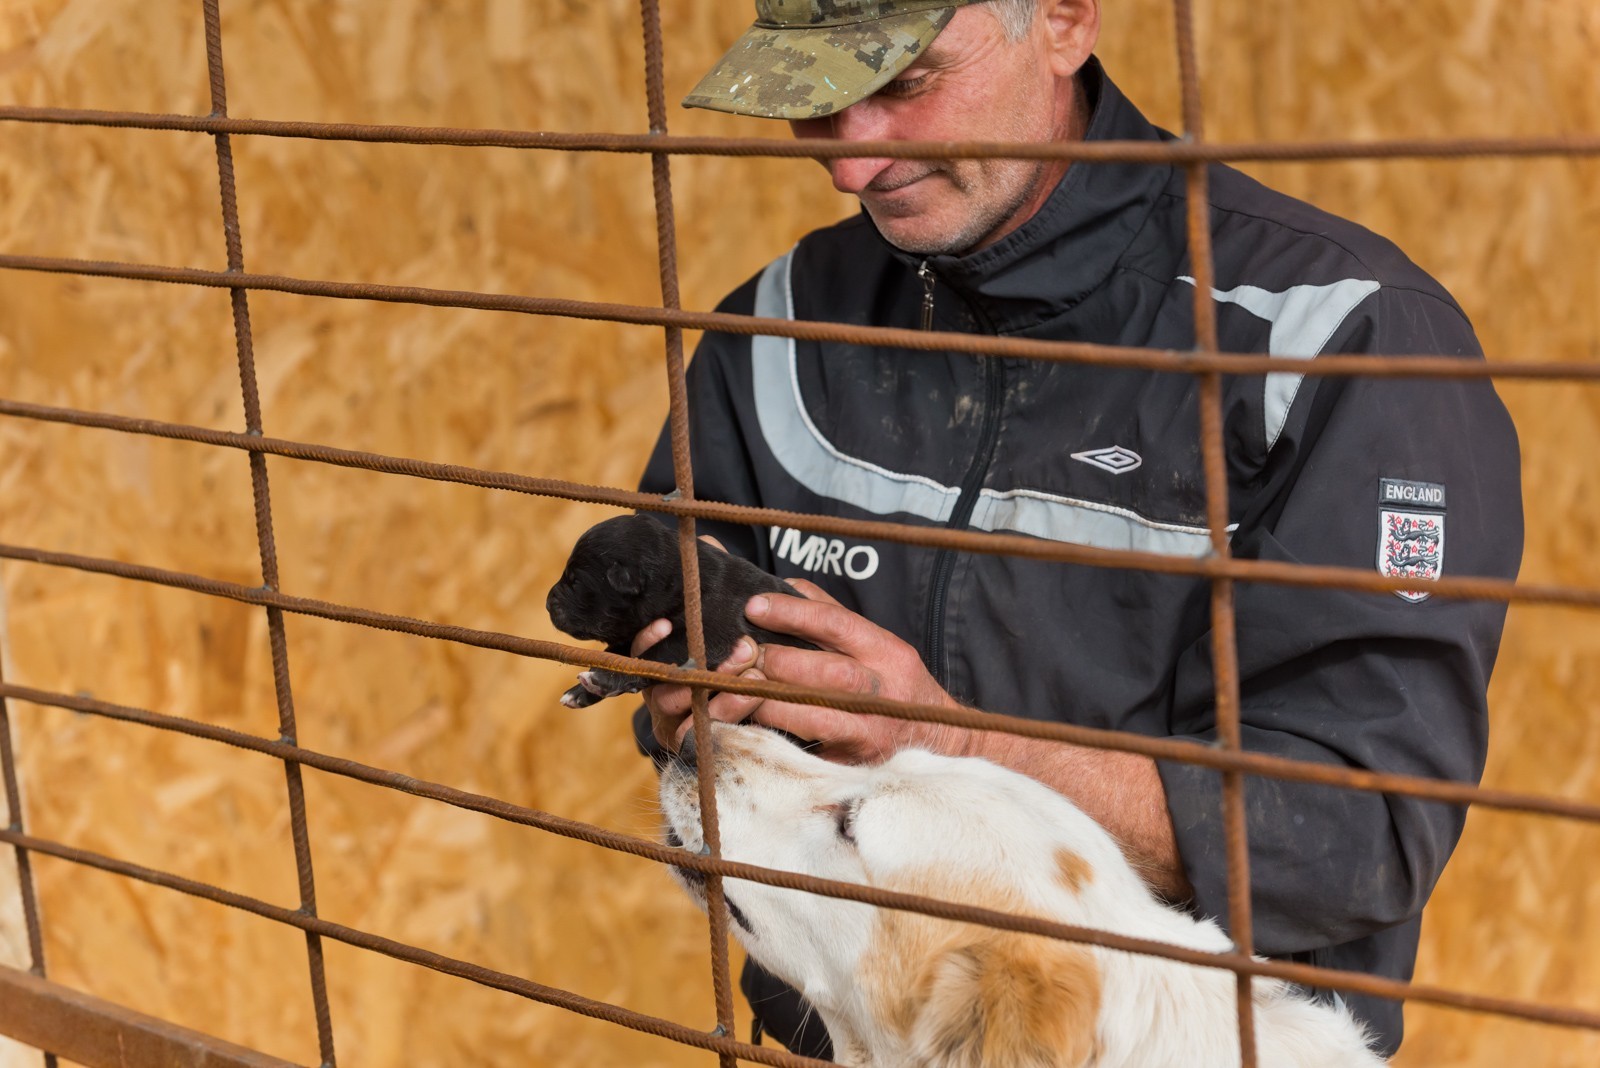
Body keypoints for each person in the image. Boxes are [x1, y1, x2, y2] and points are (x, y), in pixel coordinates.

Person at [629, 0, 1523, 1058]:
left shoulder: (1343, 342)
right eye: (813, 101)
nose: (850, 163)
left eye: (907, 85)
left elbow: (1352, 839)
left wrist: (944, 739)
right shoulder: (773, 331)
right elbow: (690, 702)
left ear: (1062, 22)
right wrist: (701, 695)